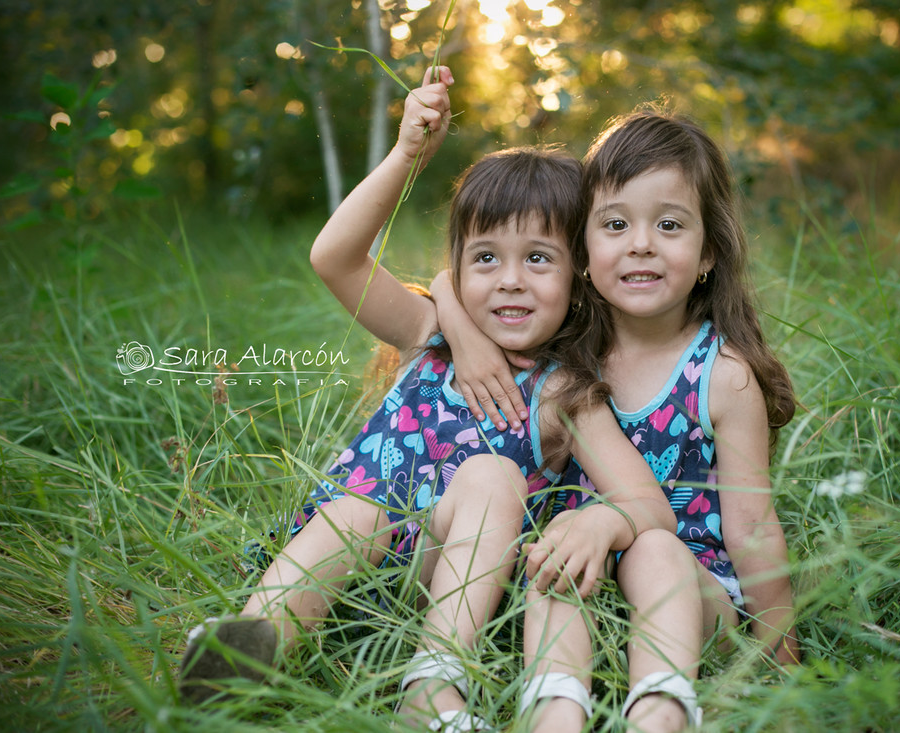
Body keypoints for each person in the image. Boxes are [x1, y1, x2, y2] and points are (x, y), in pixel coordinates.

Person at [177, 68, 675, 732]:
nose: (510, 282)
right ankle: (248, 648)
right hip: (347, 570)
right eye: (485, 259)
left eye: (538, 258)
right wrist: (408, 156)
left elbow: (648, 504)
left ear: (578, 274)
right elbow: (335, 257)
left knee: (493, 474)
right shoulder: (427, 331)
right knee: (357, 510)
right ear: (459, 267)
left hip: (450, 577)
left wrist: (601, 523)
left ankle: (433, 682)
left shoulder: (564, 391)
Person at [438, 107, 801, 732]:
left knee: (654, 547)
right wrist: (459, 324)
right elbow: (452, 281)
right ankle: (555, 717)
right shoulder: (562, 337)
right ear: (581, 250)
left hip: (689, 596)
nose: (640, 243)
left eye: (668, 224)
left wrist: (786, 667)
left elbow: (754, 529)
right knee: (557, 563)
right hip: (573, 579)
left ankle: (659, 715)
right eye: (614, 224)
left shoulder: (722, 373)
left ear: (709, 249)